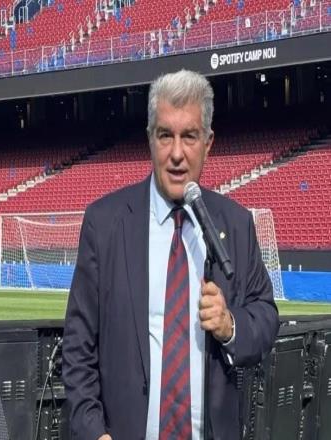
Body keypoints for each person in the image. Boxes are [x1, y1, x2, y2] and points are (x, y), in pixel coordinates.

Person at [62, 69, 279, 440]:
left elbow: (266, 317)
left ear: (208, 143)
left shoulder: (236, 224)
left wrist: (230, 326)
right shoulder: (105, 223)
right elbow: (77, 345)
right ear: (150, 139)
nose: (177, 153)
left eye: (189, 136)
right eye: (165, 135)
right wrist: (94, 432)